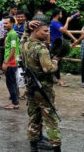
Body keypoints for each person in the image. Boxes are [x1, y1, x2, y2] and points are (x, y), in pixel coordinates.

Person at [21, 20, 62, 152]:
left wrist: (27, 28)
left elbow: (24, 37)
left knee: (34, 117)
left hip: (31, 87)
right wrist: (55, 61)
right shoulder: (41, 48)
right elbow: (48, 68)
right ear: (36, 31)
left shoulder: (26, 44)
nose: (48, 33)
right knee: (51, 119)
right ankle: (56, 147)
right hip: (43, 89)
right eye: (45, 31)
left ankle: (33, 147)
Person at [50, 9, 77, 87]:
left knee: (58, 62)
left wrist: (74, 39)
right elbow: (63, 30)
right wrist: (68, 21)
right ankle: (59, 80)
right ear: (57, 14)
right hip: (56, 46)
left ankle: (55, 78)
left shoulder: (58, 23)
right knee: (57, 62)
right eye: (61, 14)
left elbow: (66, 31)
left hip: (59, 45)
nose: (61, 15)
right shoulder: (53, 23)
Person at [2, 16, 20, 109]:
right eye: (4, 23)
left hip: (11, 62)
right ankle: (15, 99)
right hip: (11, 61)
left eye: (7, 23)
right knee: (12, 81)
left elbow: (13, 49)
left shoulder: (12, 34)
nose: (4, 25)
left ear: (12, 24)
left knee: (10, 82)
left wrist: (6, 62)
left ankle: (15, 102)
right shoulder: (10, 33)